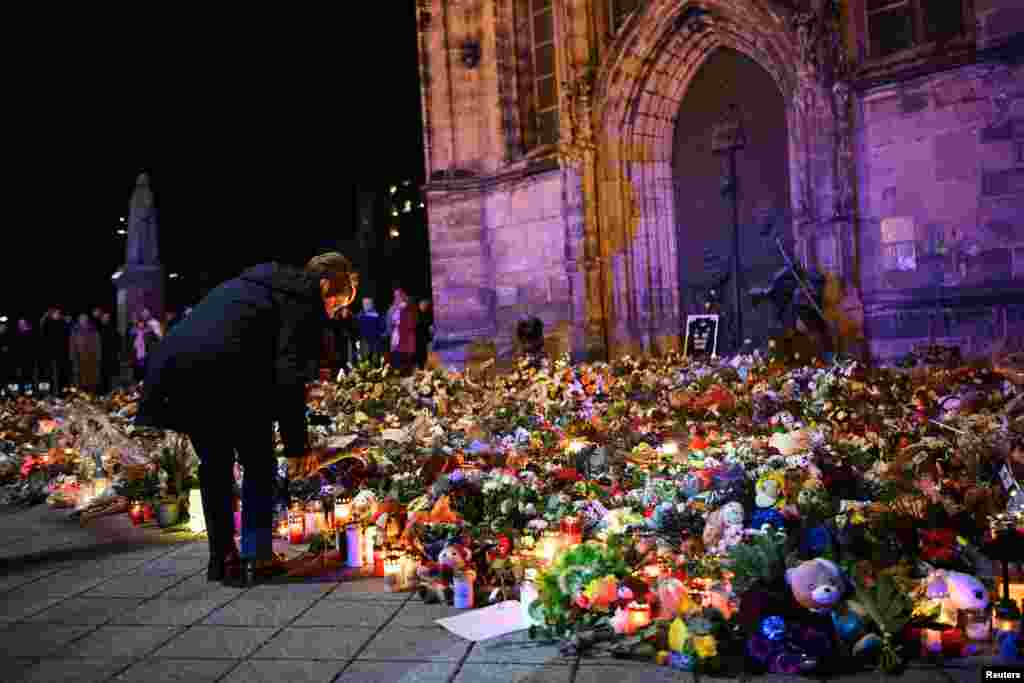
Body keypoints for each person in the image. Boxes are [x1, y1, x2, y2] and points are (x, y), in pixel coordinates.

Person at [134, 253, 359, 587]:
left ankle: (223, 559)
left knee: (214, 465)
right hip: (228, 377)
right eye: (337, 303)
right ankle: (257, 556)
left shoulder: (259, 283)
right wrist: (298, 446)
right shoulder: (301, 302)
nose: (336, 312)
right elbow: (288, 377)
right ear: (324, 285)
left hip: (180, 372)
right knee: (260, 462)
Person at [40, 307, 71, 394]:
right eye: (55, 313)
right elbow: (43, 336)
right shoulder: (47, 323)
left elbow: (67, 337)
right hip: (50, 354)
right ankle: (51, 393)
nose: (56, 314)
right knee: (50, 375)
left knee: (62, 375)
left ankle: (62, 393)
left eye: (58, 313)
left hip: (62, 354)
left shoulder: (63, 323)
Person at [387, 287, 418, 374]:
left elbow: (413, 323)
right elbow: (389, 323)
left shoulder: (410, 307)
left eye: (399, 295)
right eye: (395, 295)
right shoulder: (393, 308)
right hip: (396, 341)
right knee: (396, 363)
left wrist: (400, 323)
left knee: (406, 365)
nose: (397, 297)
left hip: (406, 341)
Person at [70, 314, 102, 394]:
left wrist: (98, 356)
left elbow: (98, 344)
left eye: (84, 319)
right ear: (79, 320)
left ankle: (91, 393)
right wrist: (72, 356)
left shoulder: (93, 330)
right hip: (79, 357)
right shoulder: (75, 330)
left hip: (91, 357)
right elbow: (72, 344)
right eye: (81, 319)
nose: (83, 321)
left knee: (91, 379)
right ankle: (80, 393)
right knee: (79, 378)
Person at [128, 317, 161, 384]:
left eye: (142, 323)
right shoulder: (133, 333)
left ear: (144, 324)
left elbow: (156, 339)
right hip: (136, 357)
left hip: (145, 356)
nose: (141, 325)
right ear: (137, 324)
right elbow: (130, 345)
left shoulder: (148, 332)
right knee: (137, 375)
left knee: (144, 374)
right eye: (139, 323)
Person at [356, 297, 386, 366]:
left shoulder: (376, 315)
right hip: (366, 340)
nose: (365, 305)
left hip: (374, 340)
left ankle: (374, 372)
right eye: (364, 303)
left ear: (371, 304)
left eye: (367, 303)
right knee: (366, 359)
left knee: (373, 359)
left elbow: (382, 326)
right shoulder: (360, 315)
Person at [12, 319, 37, 389]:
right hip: (19, 360)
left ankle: (28, 391)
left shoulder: (30, 333)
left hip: (29, 360)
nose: (21, 325)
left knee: (28, 377)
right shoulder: (17, 333)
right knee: (20, 377)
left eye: (22, 323)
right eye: (19, 323)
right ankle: (20, 392)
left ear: (26, 324)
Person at [415, 298, 434, 370]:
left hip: (426, 340)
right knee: (420, 356)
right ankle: (420, 369)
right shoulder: (416, 315)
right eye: (422, 305)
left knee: (426, 356)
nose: (423, 306)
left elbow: (430, 327)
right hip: (419, 339)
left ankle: (424, 368)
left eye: (425, 305)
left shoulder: (428, 315)